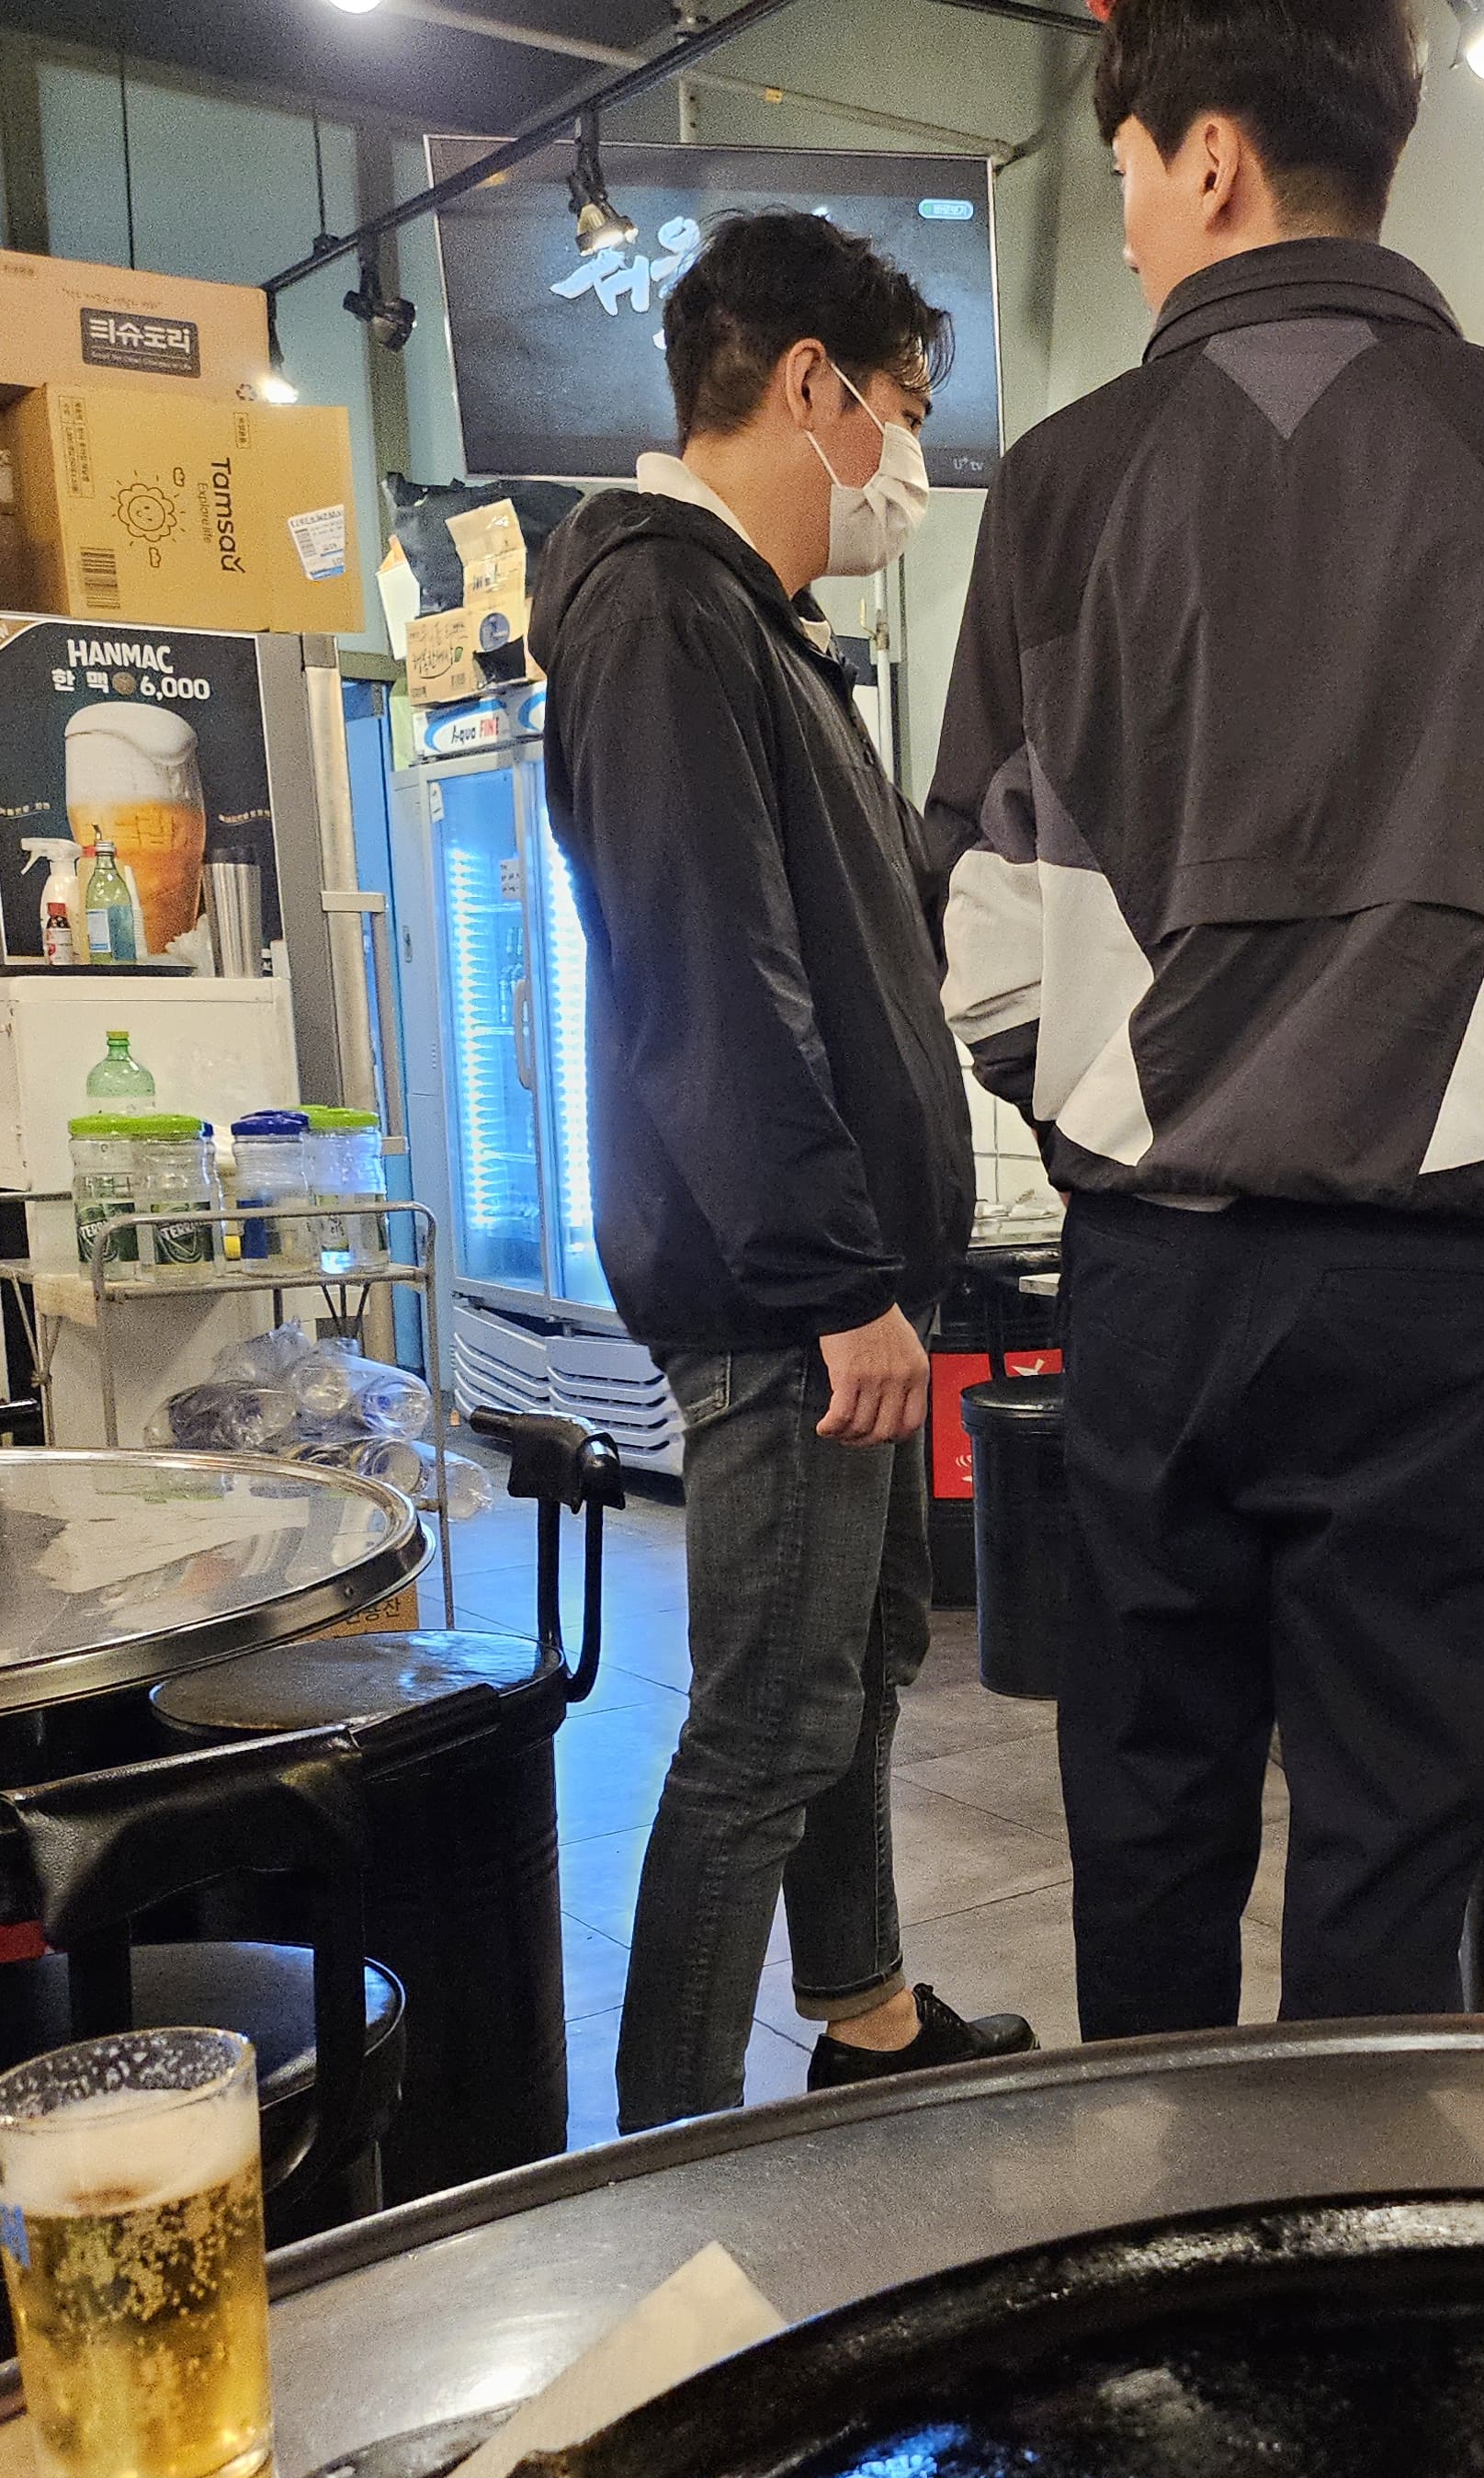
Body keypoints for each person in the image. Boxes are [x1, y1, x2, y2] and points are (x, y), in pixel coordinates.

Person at [924, 0, 1484, 2040]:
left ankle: (1158, 2222)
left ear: (1212, 155)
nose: (1126, 221)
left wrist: (1129, 1104)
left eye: (1126, 174)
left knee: (1147, 1840)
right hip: (1439, 1308)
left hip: (1156, 1291)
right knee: (1394, 1866)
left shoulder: (1059, 488)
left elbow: (981, 938)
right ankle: (1358, 2241)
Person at [530, 210, 1035, 2117]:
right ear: (812, 385)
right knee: (762, 1725)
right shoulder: (664, 613)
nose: (910, 465)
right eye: (905, 408)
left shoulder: (752, 625)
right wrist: (834, 1284)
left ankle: (867, 2021)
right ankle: (661, 2159)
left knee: (857, 1668)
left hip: (837, 1280)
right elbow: (708, 978)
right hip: (780, 1301)